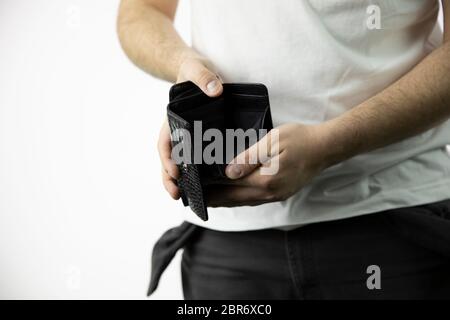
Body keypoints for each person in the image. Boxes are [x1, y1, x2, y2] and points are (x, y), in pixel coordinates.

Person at [118, 0, 450, 299]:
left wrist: (330, 145)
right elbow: (142, 10)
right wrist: (183, 71)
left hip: (392, 221)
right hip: (226, 242)